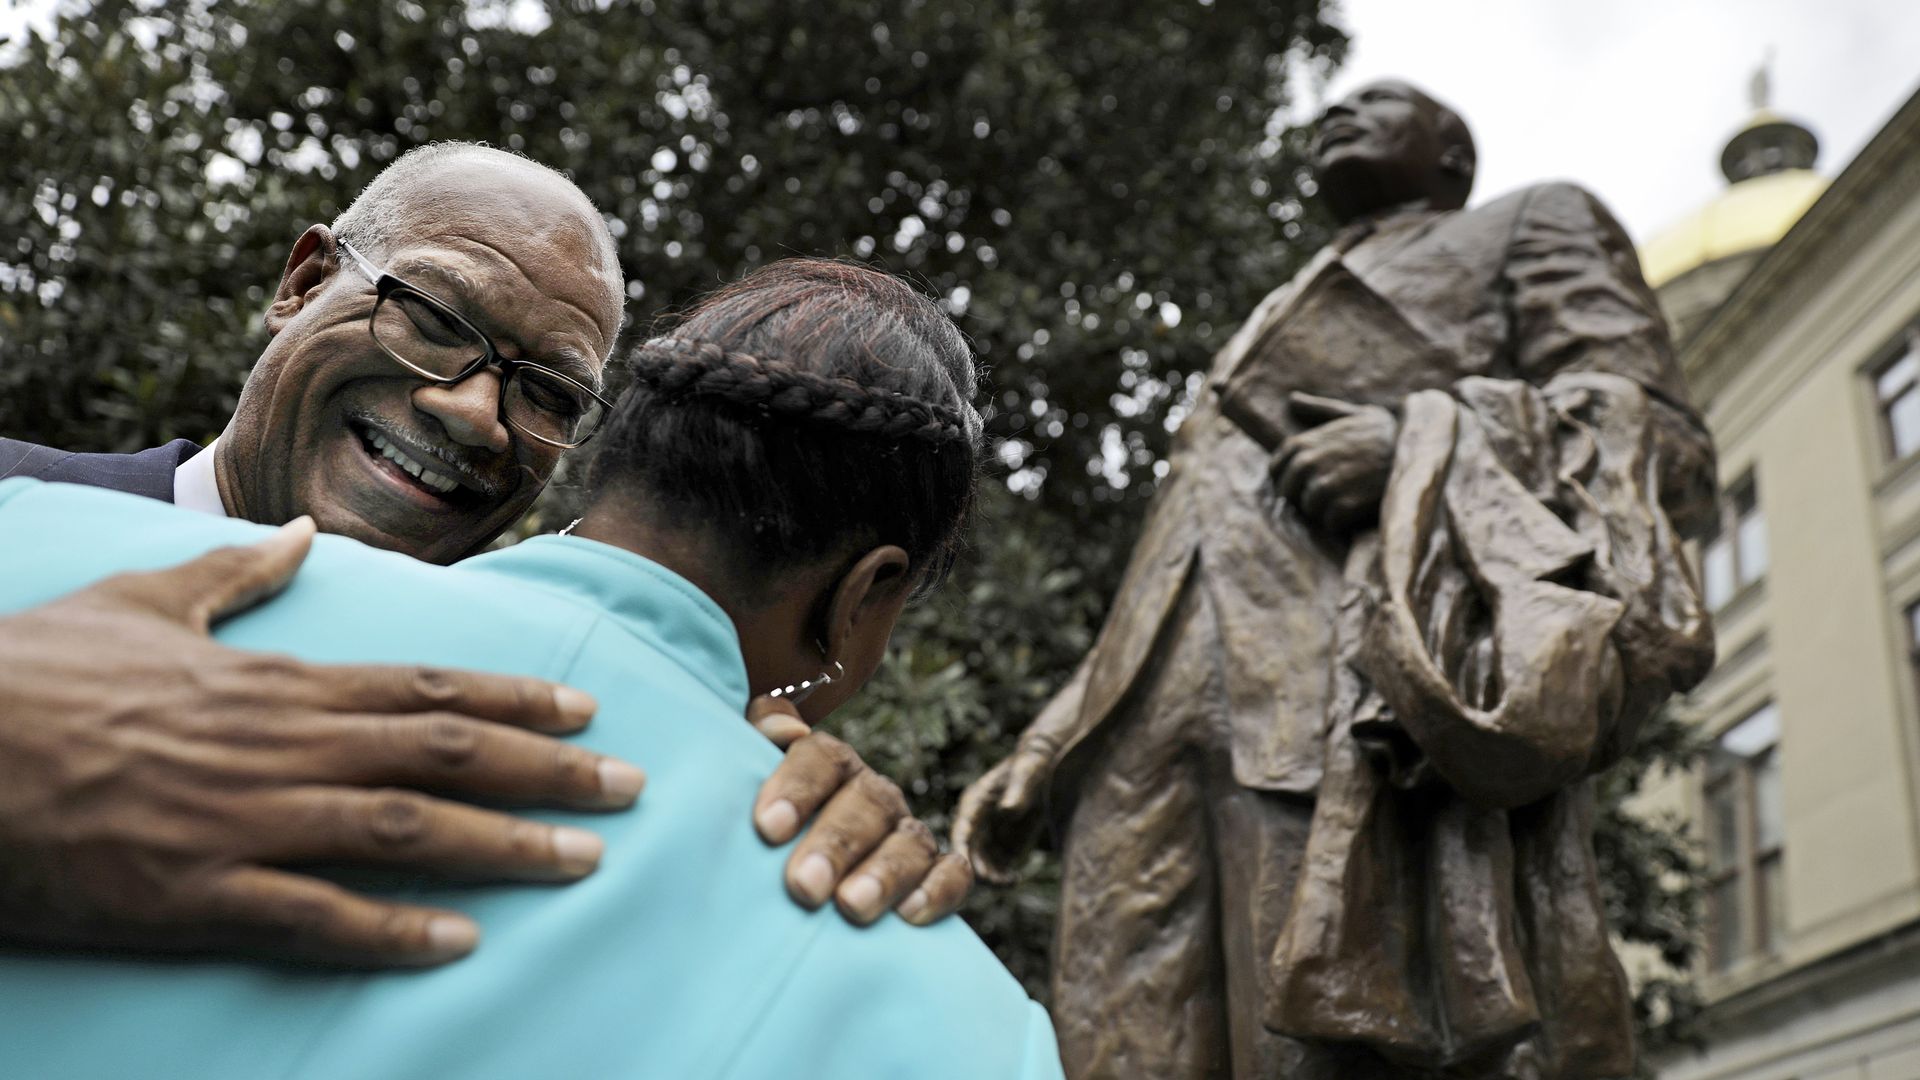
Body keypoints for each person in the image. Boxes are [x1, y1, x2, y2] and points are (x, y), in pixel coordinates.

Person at [0, 258, 1063, 1079]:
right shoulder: (970, 1029)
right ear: (864, 597)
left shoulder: (38, 554)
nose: (466, 407)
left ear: (600, 460)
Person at [0, 144, 967, 965]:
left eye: (545, 392)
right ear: (300, 285)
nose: (475, 412)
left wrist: (789, 814)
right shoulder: (16, 511)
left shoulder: (533, 723)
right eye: (433, 316)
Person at [954, 80, 1716, 1079]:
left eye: (1379, 102)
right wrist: (1049, 740)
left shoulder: (1532, 221)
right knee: (1117, 1046)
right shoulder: (1271, 310)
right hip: (1141, 743)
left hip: (1340, 711)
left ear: (1453, 157)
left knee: (1319, 1052)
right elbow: (1177, 559)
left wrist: (1416, 444)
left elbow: (1662, 444)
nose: (1336, 118)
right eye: (1330, 111)